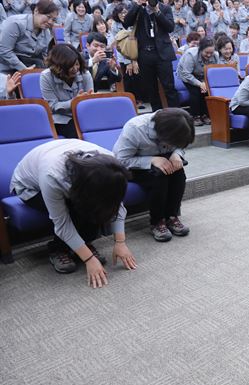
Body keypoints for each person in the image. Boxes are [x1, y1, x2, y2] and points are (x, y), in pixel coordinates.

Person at [10, 139, 137, 286]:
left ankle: (83, 244)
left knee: (97, 206)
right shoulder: (52, 175)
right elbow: (61, 222)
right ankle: (58, 249)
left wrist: (120, 242)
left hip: (75, 181)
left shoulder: (112, 167)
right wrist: (89, 259)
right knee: (76, 209)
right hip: (31, 188)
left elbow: (115, 203)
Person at [113, 108, 195, 242]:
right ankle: (157, 221)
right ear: (163, 135)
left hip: (163, 160)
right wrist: (151, 160)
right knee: (159, 177)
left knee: (178, 172)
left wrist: (177, 153)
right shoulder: (135, 128)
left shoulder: (177, 122)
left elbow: (181, 144)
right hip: (133, 165)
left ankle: (171, 217)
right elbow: (120, 160)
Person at [123, 0, 179, 112]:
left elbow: (170, 27)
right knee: (151, 89)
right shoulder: (137, 8)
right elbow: (126, 23)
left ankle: (177, 115)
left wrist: (157, 11)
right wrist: (138, 5)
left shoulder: (165, 8)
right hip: (144, 53)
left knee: (169, 87)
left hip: (163, 53)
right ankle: (157, 115)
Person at [40, 44, 93, 139]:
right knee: (77, 132)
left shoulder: (85, 74)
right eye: (70, 66)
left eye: (77, 64)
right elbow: (51, 106)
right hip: (61, 118)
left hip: (83, 115)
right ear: (58, 66)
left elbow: (90, 99)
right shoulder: (46, 76)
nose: (75, 69)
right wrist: (74, 102)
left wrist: (87, 100)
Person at [0, 0, 58, 73]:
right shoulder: (16, 24)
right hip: (6, 66)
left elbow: (44, 54)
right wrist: (24, 70)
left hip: (29, 64)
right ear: (36, 11)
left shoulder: (46, 32)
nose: (50, 22)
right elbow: (4, 50)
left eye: (53, 20)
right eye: (48, 17)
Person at [177, 36, 216, 126]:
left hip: (203, 76)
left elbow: (213, 72)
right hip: (187, 76)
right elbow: (186, 74)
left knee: (207, 92)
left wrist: (205, 84)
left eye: (211, 53)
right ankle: (195, 116)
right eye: (206, 52)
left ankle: (205, 114)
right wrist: (199, 84)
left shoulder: (215, 55)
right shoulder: (191, 55)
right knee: (195, 92)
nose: (209, 55)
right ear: (200, 49)